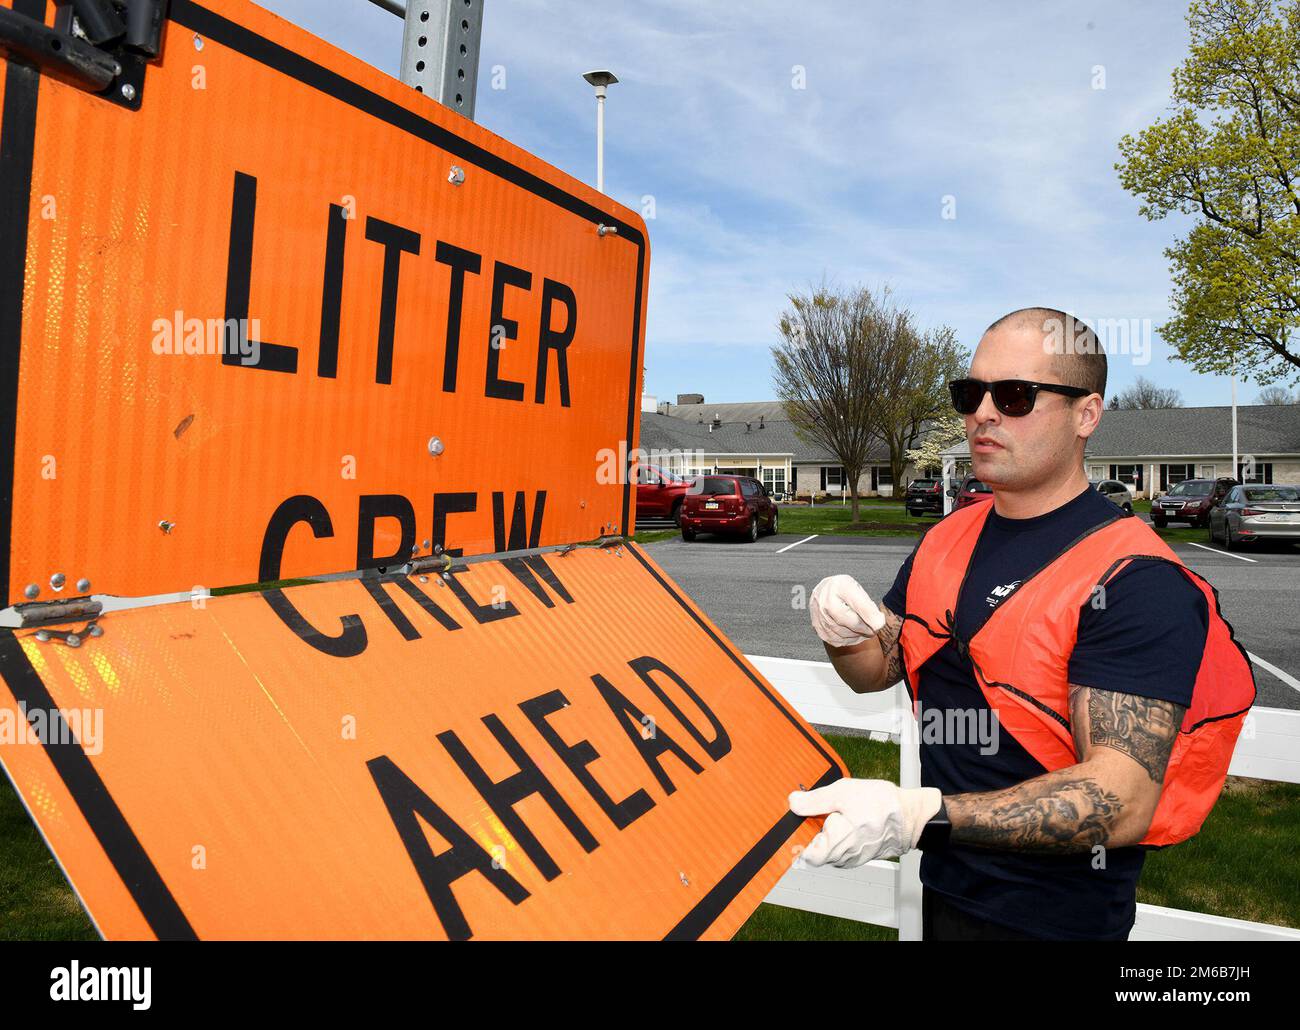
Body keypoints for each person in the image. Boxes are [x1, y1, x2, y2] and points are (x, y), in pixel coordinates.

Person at [794, 307, 1255, 941]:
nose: (982, 413)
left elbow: (1119, 800)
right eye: (970, 393)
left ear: (1085, 416)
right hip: (947, 893)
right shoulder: (948, 538)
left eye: (1013, 395)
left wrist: (922, 815)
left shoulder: (1135, 577)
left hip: (1056, 921)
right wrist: (843, 632)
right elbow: (876, 672)